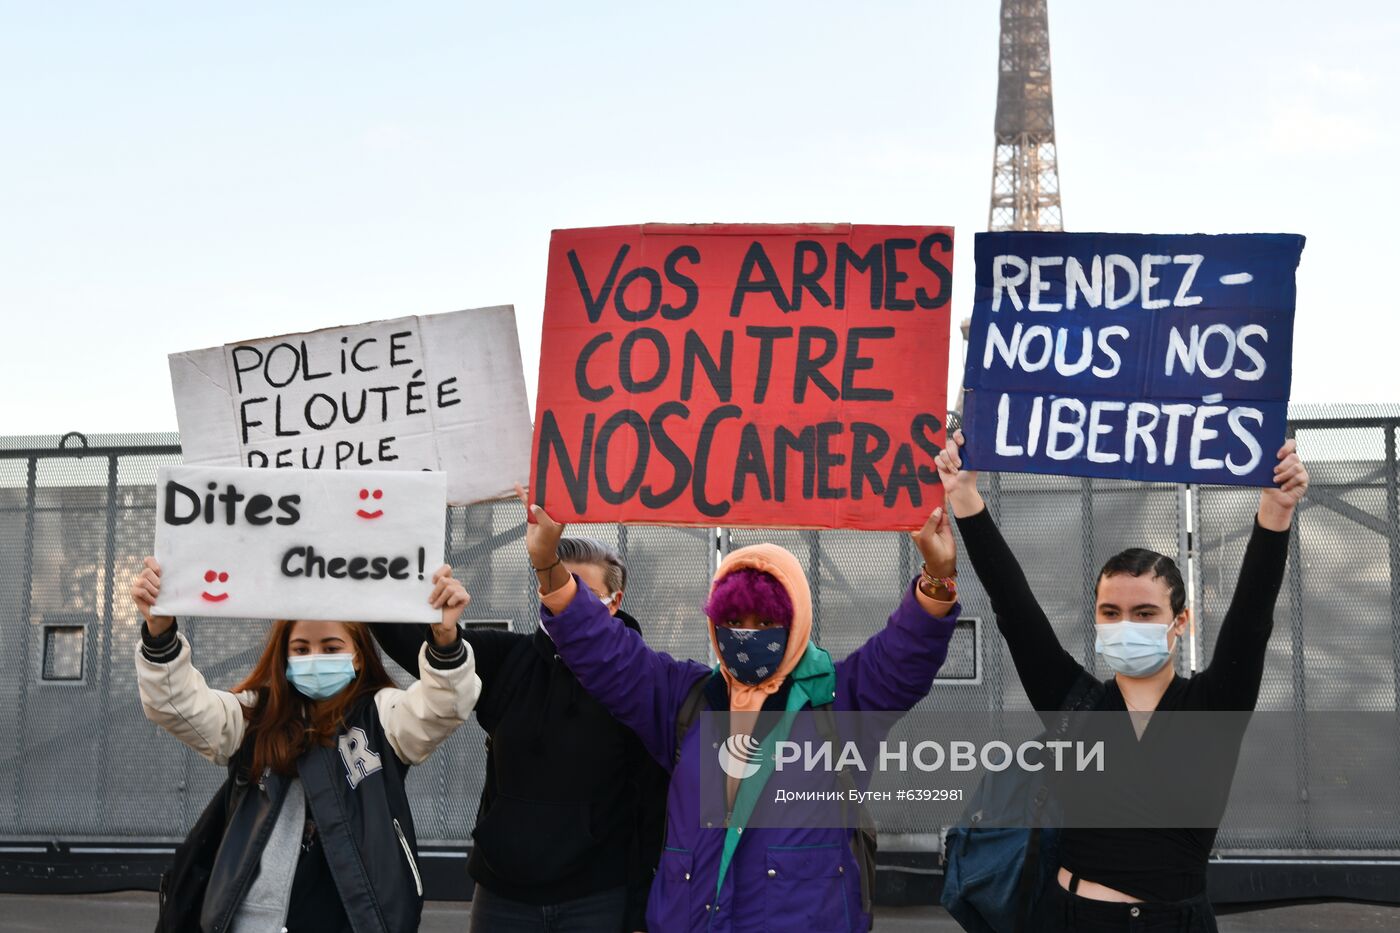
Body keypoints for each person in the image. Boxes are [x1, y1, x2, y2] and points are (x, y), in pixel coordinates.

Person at [518, 486, 963, 932]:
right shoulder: (686, 698)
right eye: (732, 623)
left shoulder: (840, 699)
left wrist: (938, 576)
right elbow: (607, 653)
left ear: (796, 624)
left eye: (766, 623)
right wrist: (548, 566)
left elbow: (904, 655)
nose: (746, 636)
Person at [934, 430, 1309, 932]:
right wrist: (964, 497)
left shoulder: (1212, 707)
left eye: (1144, 611)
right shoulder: (1076, 706)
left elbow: (1252, 621)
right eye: (1111, 611)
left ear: (1181, 621)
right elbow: (1014, 608)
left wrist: (1276, 511)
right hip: (1064, 919)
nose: (1125, 624)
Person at [130, 557, 481, 933]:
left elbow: (442, 707)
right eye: (301, 649)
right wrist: (159, 630)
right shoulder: (254, 716)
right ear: (284, 657)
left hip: (353, 919)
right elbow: (177, 705)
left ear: (358, 655)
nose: (315, 658)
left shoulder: (382, 716)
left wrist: (445, 641)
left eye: (331, 648)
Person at [371, 534, 670, 932]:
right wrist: (363, 578)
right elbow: (420, 646)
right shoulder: (510, 659)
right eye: (560, 590)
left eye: (585, 595)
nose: (568, 605)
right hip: (504, 898)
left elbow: (653, 803)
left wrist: (640, 911)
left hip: (597, 900)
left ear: (615, 602)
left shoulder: (640, 678)